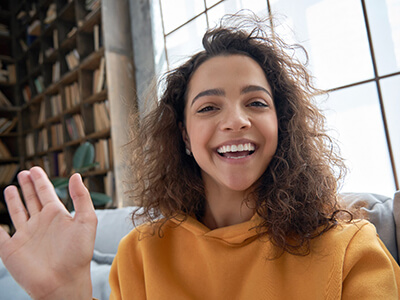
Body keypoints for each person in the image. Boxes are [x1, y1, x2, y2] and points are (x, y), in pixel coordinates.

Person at [0, 13, 399, 299]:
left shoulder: (350, 251)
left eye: (256, 103)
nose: (236, 121)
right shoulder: (140, 255)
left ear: (283, 123)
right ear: (185, 137)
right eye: (209, 108)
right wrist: (65, 295)